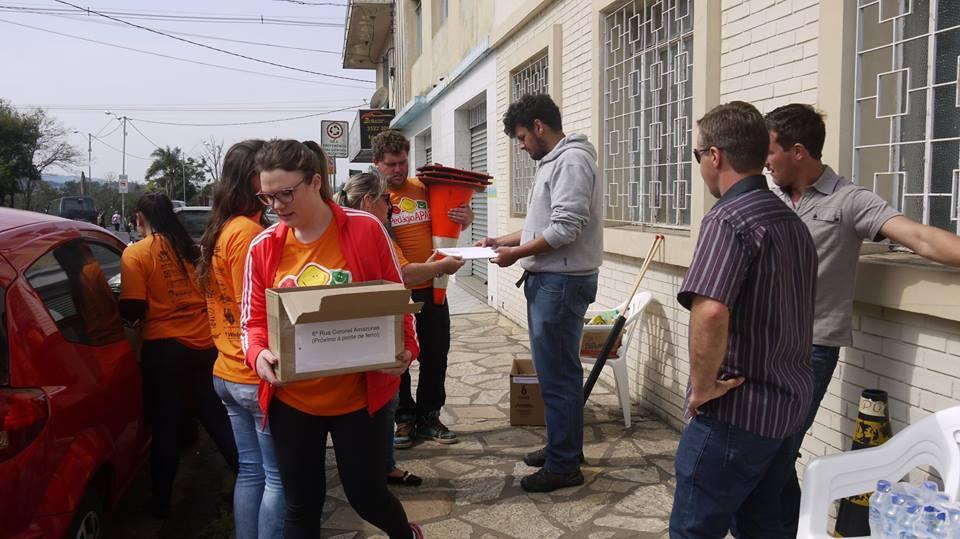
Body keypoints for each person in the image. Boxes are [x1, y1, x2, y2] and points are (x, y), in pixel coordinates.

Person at [764, 103, 960, 535]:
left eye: (771, 151)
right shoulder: (769, 198)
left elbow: (920, 238)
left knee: (779, 452)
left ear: (798, 151)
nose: (764, 160)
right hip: (763, 345)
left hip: (809, 350)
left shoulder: (850, 201)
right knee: (765, 454)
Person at [239, 140, 423, 539]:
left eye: (286, 193)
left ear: (316, 182)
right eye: (267, 196)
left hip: (359, 399)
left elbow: (395, 297)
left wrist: (407, 349)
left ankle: (405, 534)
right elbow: (252, 322)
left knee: (368, 496)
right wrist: (258, 355)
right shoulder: (263, 247)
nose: (277, 206)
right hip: (293, 401)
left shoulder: (364, 229)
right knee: (301, 505)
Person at [666, 101, 817, 538]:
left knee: (695, 530)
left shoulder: (729, 219)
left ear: (715, 156)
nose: (700, 166)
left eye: (697, 156)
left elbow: (710, 309)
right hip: (786, 411)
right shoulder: (792, 223)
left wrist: (703, 386)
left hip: (735, 414)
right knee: (766, 529)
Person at [477, 93, 603, 493]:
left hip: (561, 284)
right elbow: (542, 225)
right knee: (554, 374)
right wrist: (504, 239)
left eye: (521, 137)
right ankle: (562, 448)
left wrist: (516, 254)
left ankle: (564, 464)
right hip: (552, 282)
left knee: (559, 377)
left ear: (538, 126)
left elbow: (566, 229)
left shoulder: (572, 161)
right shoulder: (555, 162)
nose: (521, 145)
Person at [335, 171, 465, 487]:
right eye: (385, 201)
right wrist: (441, 267)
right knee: (384, 394)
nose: (391, 208)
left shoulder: (354, 226)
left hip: (377, 318)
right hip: (377, 320)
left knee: (426, 361)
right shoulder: (371, 230)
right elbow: (401, 275)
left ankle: (383, 461)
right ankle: (381, 466)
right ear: (368, 200)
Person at [119, 192, 239, 519]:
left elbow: (132, 311)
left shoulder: (137, 254)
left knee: (166, 428)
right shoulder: (193, 251)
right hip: (205, 346)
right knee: (215, 418)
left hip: (165, 351)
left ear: (140, 219)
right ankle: (249, 480)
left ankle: (160, 504)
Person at [196, 139, 285, 539]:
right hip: (253, 375)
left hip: (226, 370)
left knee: (251, 471)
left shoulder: (220, 229)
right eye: (266, 173)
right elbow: (257, 309)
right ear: (253, 178)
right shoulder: (249, 234)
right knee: (277, 478)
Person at [371, 129, 472, 449]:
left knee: (435, 353)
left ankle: (429, 416)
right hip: (395, 290)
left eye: (403, 162)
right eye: (391, 164)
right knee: (397, 357)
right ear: (377, 164)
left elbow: (452, 219)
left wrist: (466, 216)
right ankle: (404, 418)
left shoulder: (425, 188)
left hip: (434, 287)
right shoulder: (376, 201)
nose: (398, 169)